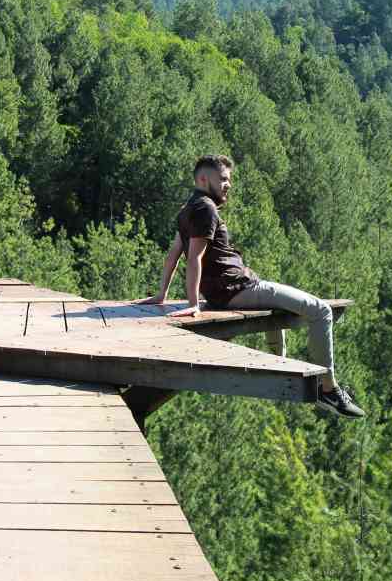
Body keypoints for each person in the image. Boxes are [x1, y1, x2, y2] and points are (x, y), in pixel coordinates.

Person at [139, 154, 365, 418]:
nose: (228, 184)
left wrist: (161, 294)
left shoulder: (187, 207)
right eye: (222, 179)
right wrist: (192, 305)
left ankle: (282, 364)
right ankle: (328, 389)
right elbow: (194, 257)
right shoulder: (205, 209)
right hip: (237, 289)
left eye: (229, 180)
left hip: (230, 290)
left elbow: (174, 253)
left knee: (284, 305)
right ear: (203, 178)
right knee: (321, 310)